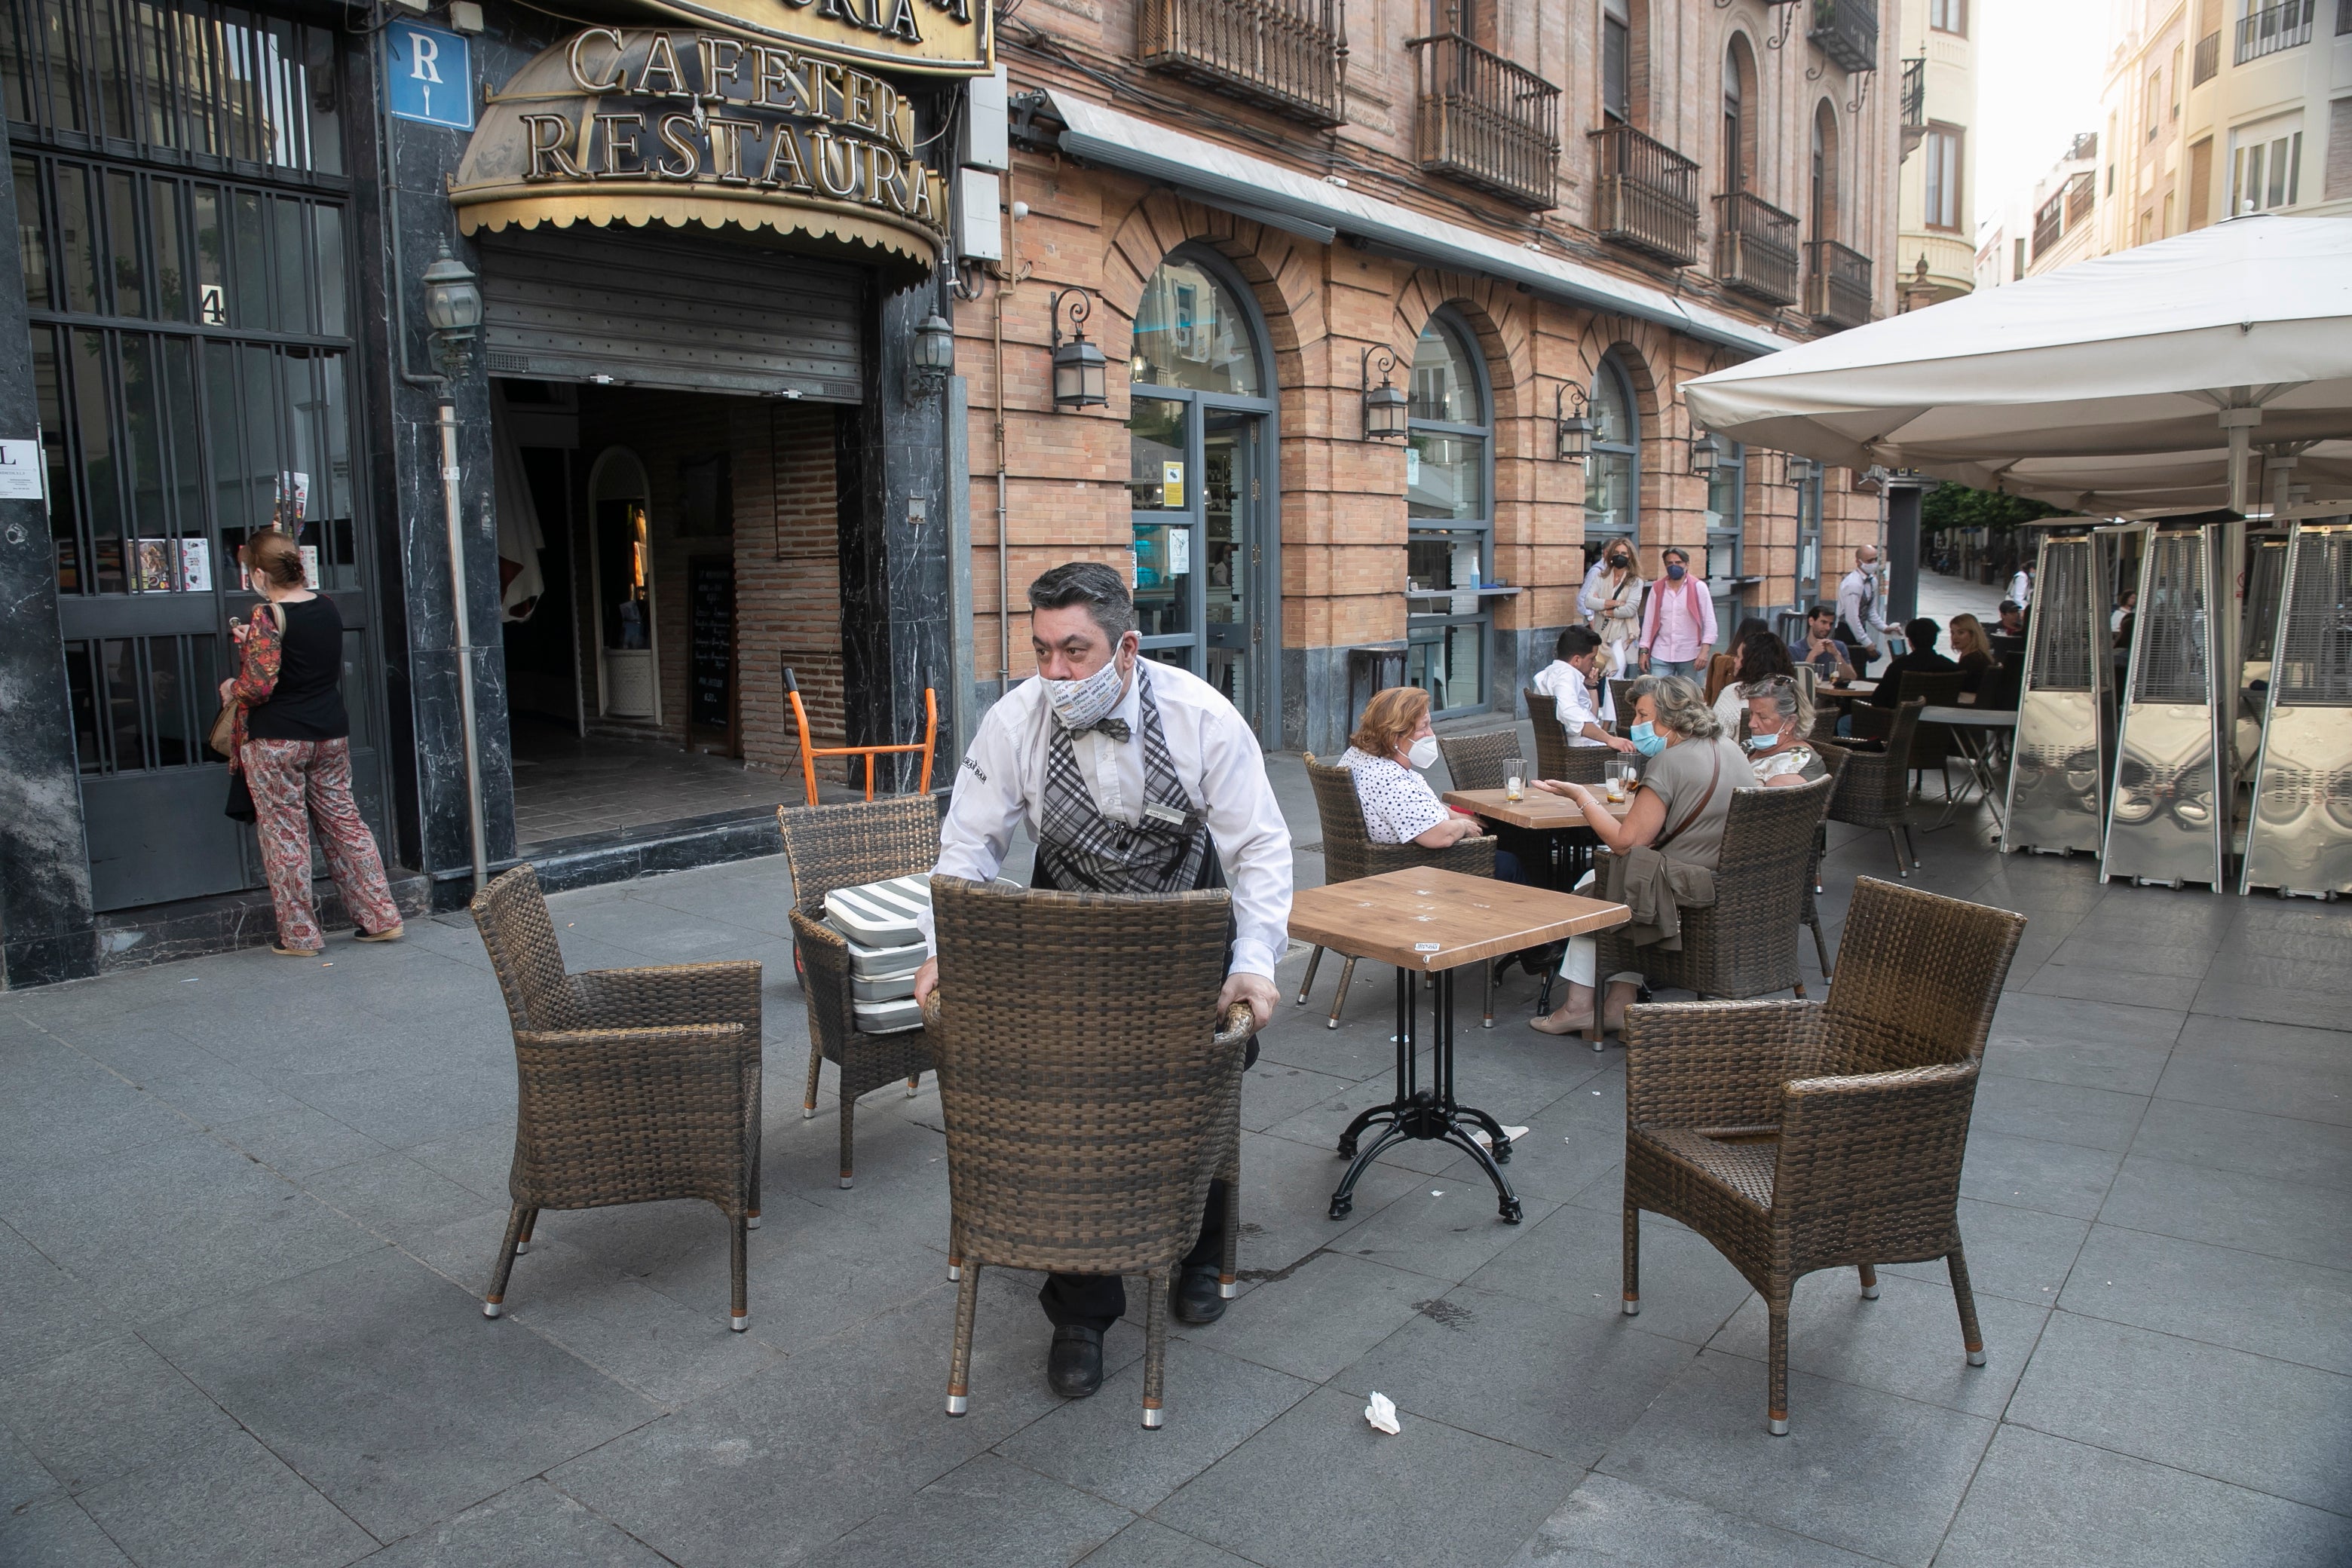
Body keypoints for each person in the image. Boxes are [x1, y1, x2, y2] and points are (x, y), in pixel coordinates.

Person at [911, 562, 1291, 1401]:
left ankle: (1197, 1252)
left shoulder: (1203, 718)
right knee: (1066, 1107)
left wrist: (1255, 960)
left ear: (1126, 647)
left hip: (1185, 927)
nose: (1055, 673)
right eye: (1043, 650)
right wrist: (948, 944)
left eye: (1074, 652)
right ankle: (1081, 1307)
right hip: (1068, 934)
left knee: (1206, 1088)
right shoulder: (1014, 722)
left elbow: (1259, 847)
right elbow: (966, 850)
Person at [1527, 675, 1747, 1037]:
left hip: (1678, 888)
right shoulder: (1731, 749)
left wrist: (1581, 797)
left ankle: (1579, 1007)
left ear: (1670, 715)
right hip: (1726, 881)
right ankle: (1618, 1002)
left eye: (1644, 715)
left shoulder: (1670, 763)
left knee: (1593, 890)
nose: (1637, 725)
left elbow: (1626, 843)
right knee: (1610, 878)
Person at [217, 528, 403, 956]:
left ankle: (300, 936)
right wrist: (258, 643)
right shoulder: (327, 607)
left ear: (261, 574)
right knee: (346, 824)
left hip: (279, 738)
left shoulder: (268, 615)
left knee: (285, 835)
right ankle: (381, 918)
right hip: (330, 734)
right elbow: (306, 654)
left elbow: (259, 688)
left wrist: (232, 688)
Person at [1337, 686, 1523, 881]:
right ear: (1394, 736)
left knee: (1506, 833)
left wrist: (1453, 814)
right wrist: (1462, 826)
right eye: (1423, 727)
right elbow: (1437, 837)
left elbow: (1412, 805)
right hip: (1417, 865)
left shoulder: (1359, 755)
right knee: (1510, 861)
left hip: (1406, 850)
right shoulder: (1390, 780)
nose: (1430, 734)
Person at [1530, 626, 1637, 752]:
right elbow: (1570, 713)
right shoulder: (1566, 676)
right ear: (1576, 660)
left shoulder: (1552, 672)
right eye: (1592, 658)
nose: (1594, 663)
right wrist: (1610, 739)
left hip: (1580, 747)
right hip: (1584, 750)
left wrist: (1591, 686)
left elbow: (1590, 716)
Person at [1638, 547, 1715, 678]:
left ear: (1686, 564)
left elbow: (1709, 621)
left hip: (1690, 654)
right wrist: (1644, 651)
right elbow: (1649, 622)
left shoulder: (1698, 587)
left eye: (1678, 563)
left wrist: (1704, 651)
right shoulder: (1658, 588)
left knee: (1688, 696)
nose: (1674, 566)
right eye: (1670, 563)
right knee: (1659, 695)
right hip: (1661, 652)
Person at [1713, 625, 1798, 734]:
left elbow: (1717, 738)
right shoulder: (1793, 691)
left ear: (1749, 663)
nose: (1734, 661)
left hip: (1741, 750)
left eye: (1738, 657)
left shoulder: (1733, 693)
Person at [1743, 676, 1826, 786]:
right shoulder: (1750, 746)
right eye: (1751, 714)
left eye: (1763, 717)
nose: (1751, 724)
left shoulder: (1796, 765)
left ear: (1790, 722)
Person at [1579, 540, 1644, 676]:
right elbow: (1589, 601)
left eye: (1624, 553)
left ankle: (1612, 698)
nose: (1619, 556)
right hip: (1601, 633)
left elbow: (1630, 610)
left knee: (1614, 676)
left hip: (1622, 635)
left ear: (1630, 556)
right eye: (1616, 553)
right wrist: (1615, 603)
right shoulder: (1600, 577)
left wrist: (1602, 608)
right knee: (1596, 676)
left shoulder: (1635, 581)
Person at [1865, 616, 1960, 707]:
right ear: (1935, 640)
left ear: (1910, 641)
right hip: (1940, 721)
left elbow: (1878, 701)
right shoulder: (1951, 667)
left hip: (1901, 721)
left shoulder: (1898, 667)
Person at [1836, 547, 1889, 672]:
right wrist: (1867, 642)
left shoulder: (1872, 581)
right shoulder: (1853, 584)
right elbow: (1851, 617)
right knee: (1848, 671)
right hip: (1846, 632)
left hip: (1860, 630)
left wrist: (1884, 628)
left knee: (1860, 670)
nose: (1874, 563)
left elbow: (1870, 611)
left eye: (1876, 559)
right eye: (1870, 560)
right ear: (1859, 562)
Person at [1788, 603, 1858, 685]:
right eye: (1824, 622)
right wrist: (1813, 654)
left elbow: (1852, 677)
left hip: (1834, 695)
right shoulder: (1794, 649)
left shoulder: (1839, 647)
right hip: (1809, 695)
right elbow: (1797, 681)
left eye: (1830, 624)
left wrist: (1836, 655)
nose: (1828, 628)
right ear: (1811, 621)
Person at [1948, 613, 1997, 696]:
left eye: (1961, 633)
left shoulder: (1972, 660)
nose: (1955, 637)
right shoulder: (1978, 654)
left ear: (1973, 634)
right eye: (1953, 633)